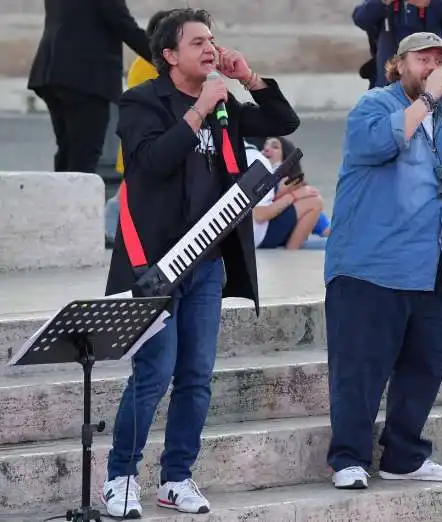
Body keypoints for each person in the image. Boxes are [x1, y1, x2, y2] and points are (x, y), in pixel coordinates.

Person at [101, 8, 299, 517]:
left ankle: (176, 477)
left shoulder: (225, 102)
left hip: (208, 262)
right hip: (157, 264)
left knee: (197, 373)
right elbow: (150, 163)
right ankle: (120, 476)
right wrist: (197, 112)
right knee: (155, 371)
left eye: (212, 40)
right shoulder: (142, 101)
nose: (210, 48)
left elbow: (284, 122)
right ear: (169, 55)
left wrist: (248, 79)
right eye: (197, 42)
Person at [323, 32, 442, 490]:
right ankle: (349, 458)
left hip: (436, 270)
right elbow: (379, 145)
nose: (432, 65)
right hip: (372, 267)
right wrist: (428, 98)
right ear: (398, 63)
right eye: (422, 58)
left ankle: (403, 455)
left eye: (439, 59)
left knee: (423, 368)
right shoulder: (373, 107)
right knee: (360, 368)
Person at [28, 0, 151, 174]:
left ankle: (59, 199)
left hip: (52, 71)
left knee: (67, 152)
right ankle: (75, 201)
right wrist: (167, 59)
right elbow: (123, 25)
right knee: (83, 159)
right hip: (85, 77)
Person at [105, 9, 174, 246]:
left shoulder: (142, 63)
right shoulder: (150, 65)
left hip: (141, 144)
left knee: (132, 192)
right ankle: (113, 229)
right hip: (145, 144)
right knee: (131, 194)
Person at [352, 0, 442, 89]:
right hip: (388, 79)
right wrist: (382, 2)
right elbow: (360, 18)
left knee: (430, 116)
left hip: (428, 80)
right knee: (388, 116)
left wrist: (433, 2)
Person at [243, 137, 328, 249]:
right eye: (265, 146)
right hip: (265, 228)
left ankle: (291, 252)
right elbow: (261, 212)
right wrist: (292, 196)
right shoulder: (261, 171)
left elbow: (324, 226)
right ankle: (292, 251)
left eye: (275, 147)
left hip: (271, 228)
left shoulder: (287, 182)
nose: (267, 149)